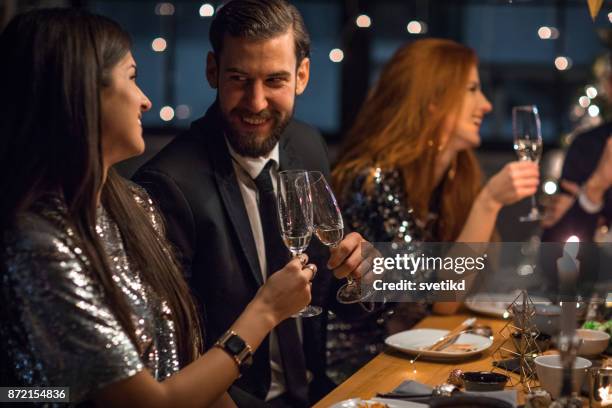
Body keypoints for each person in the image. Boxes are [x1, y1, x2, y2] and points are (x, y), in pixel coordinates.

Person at [0, 8, 316, 408]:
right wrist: (265, 312)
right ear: (78, 97)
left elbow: (184, 356)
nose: (145, 100)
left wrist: (376, 274)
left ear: (302, 76)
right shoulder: (42, 242)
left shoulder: (130, 203)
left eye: (274, 80)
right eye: (131, 78)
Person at [133, 0, 372, 406]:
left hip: (319, 393)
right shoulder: (167, 185)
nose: (256, 102)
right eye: (239, 78)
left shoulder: (307, 145)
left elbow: (327, 293)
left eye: (275, 80)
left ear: (302, 76)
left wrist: (358, 273)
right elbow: (173, 360)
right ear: (213, 71)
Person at [332, 38, 540, 318]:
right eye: (472, 89)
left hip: (424, 343)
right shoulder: (373, 180)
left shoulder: (457, 173)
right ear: (433, 100)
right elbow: (437, 300)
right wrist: (488, 202)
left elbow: (473, 286)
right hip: (368, 356)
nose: (487, 105)